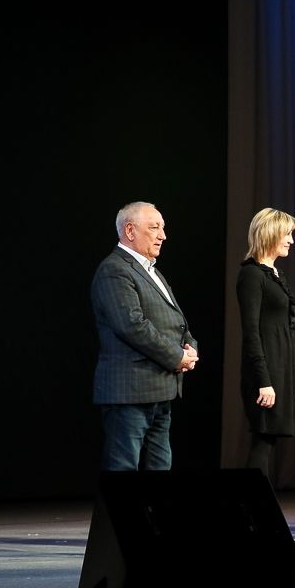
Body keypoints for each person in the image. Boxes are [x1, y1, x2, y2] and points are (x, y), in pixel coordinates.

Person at [91, 201, 199, 471]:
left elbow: (175, 319)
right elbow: (132, 326)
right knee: (122, 470)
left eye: (163, 227)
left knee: (160, 470)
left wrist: (190, 347)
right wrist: (176, 356)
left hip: (160, 390)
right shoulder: (114, 270)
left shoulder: (151, 270)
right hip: (129, 393)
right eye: (154, 228)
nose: (163, 235)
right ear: (130, 230)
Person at [237, 208, 295, 484]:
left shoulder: (274, 273)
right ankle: (251, 504)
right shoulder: (252, 274)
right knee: (263, 440)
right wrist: (264, 381)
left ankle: (254, 503)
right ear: (271, 233)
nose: (291, 241)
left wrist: (288, 381)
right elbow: (251, 332)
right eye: (287, 234)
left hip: (279, 369)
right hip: (264, 371)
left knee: (269, 440)